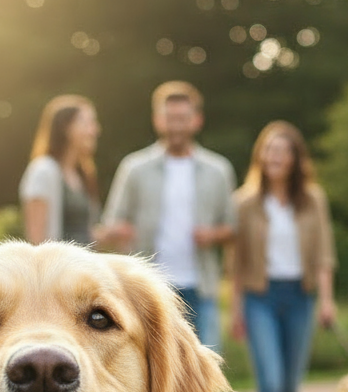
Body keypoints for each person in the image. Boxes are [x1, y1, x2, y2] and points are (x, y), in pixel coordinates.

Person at [229, 120, 337, 392]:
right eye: (270, 150)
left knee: (291, 386)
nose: (276, 157)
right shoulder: (243, 202)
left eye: (284, 151)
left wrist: (327, 300)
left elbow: (324, 252)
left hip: (301, 296)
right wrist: (236, 310)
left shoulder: (312, 199)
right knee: (271, 382)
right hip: (260, 296)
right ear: (261, 155)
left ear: (294, 159)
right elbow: (237, 261)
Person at [98, 81, 237, 353]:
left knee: (205, 368)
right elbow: (113, 220)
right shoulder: (134, 168)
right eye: (170, 118)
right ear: (157, 120)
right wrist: (117, 231)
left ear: (196, 120)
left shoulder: (218, 170)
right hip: (149, 286)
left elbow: (231, 227)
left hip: (201, 286)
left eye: (183, 119)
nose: (176, 126)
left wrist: (213, 235)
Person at [19, 95, 101, 246]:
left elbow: (81, 233)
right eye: (88, 123)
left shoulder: (81, 174)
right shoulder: (43, 171)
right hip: (60, 268)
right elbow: (37, 241)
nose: (95, 130)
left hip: (83, 267)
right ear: (66, 127)